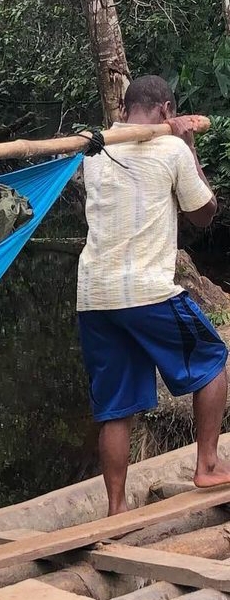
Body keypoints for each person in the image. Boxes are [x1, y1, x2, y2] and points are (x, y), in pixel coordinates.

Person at [77, 74, 230, 516]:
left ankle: (117, 507)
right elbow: (204, 215)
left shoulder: (94, 151)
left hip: (94, 296)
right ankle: (206, 464)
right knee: (213, 361)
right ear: (166, 111)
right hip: (146, 290)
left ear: (124, 110)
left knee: (116, 406)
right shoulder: (170, 148)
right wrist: (189, 147)